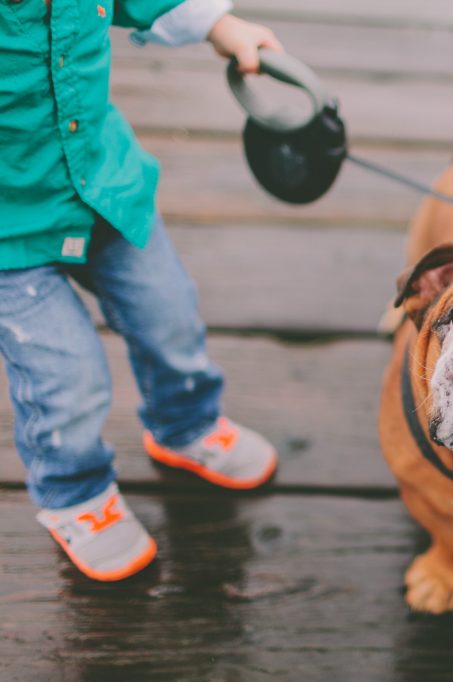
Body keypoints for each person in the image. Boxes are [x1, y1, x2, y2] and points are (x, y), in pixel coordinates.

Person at [0, 0, 285, 581]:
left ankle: (186, 425)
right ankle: (75, 494)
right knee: (67, 377)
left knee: (169, 313)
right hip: (10, 233)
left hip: (105, 186)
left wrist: (217, 24)